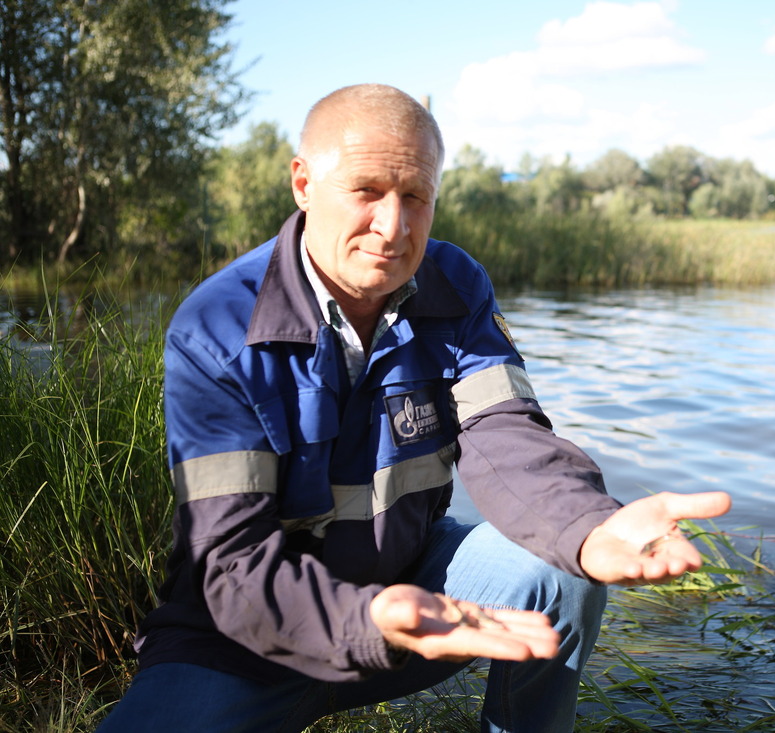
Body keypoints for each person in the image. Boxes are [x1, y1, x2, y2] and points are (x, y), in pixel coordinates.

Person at [97, 83, 731, 733]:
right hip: (241, 646)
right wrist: (367, 621)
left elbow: (505, 433)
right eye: (367, 191)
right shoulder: (219, 326)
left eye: (416, 197)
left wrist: (588, 525)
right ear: (303, 183)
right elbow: (232, 566)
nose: (393, 227)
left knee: (561, 568)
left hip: (416, 598)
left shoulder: (456, 288)